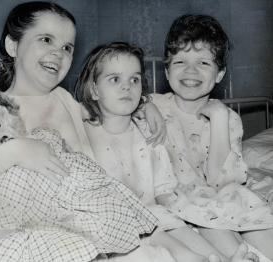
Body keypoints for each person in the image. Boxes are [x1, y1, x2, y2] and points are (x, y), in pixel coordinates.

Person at [0, 2, 166, 262]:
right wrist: (9, 154)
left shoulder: (65, 101)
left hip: (85, 234)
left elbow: (114, 104)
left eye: (67, 47)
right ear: (12, 46)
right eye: (46, 39)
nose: (58, 53)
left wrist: (148, 104)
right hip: (19, 240)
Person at [75, 41, 258, 262]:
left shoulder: (150, 133)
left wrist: (182, 212)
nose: (127, 87)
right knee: (174, 250)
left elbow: (163, 189)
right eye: (115, 79)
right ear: (94, 89)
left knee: (182, 233)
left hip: (154, 215)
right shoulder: (81, 131)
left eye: (134, 80)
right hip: (112, 220)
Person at [151, 14, 273, 261]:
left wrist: (218, 119)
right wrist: (145, 104)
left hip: (220, 194)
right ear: (166, 70)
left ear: (219, 74)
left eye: (204, 63)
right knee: (217, 231)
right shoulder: (153, 106)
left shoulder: (228, 118)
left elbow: (221, 181)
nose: (190, 70)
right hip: (177, 200)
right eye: (180, 61)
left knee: (260, 223)